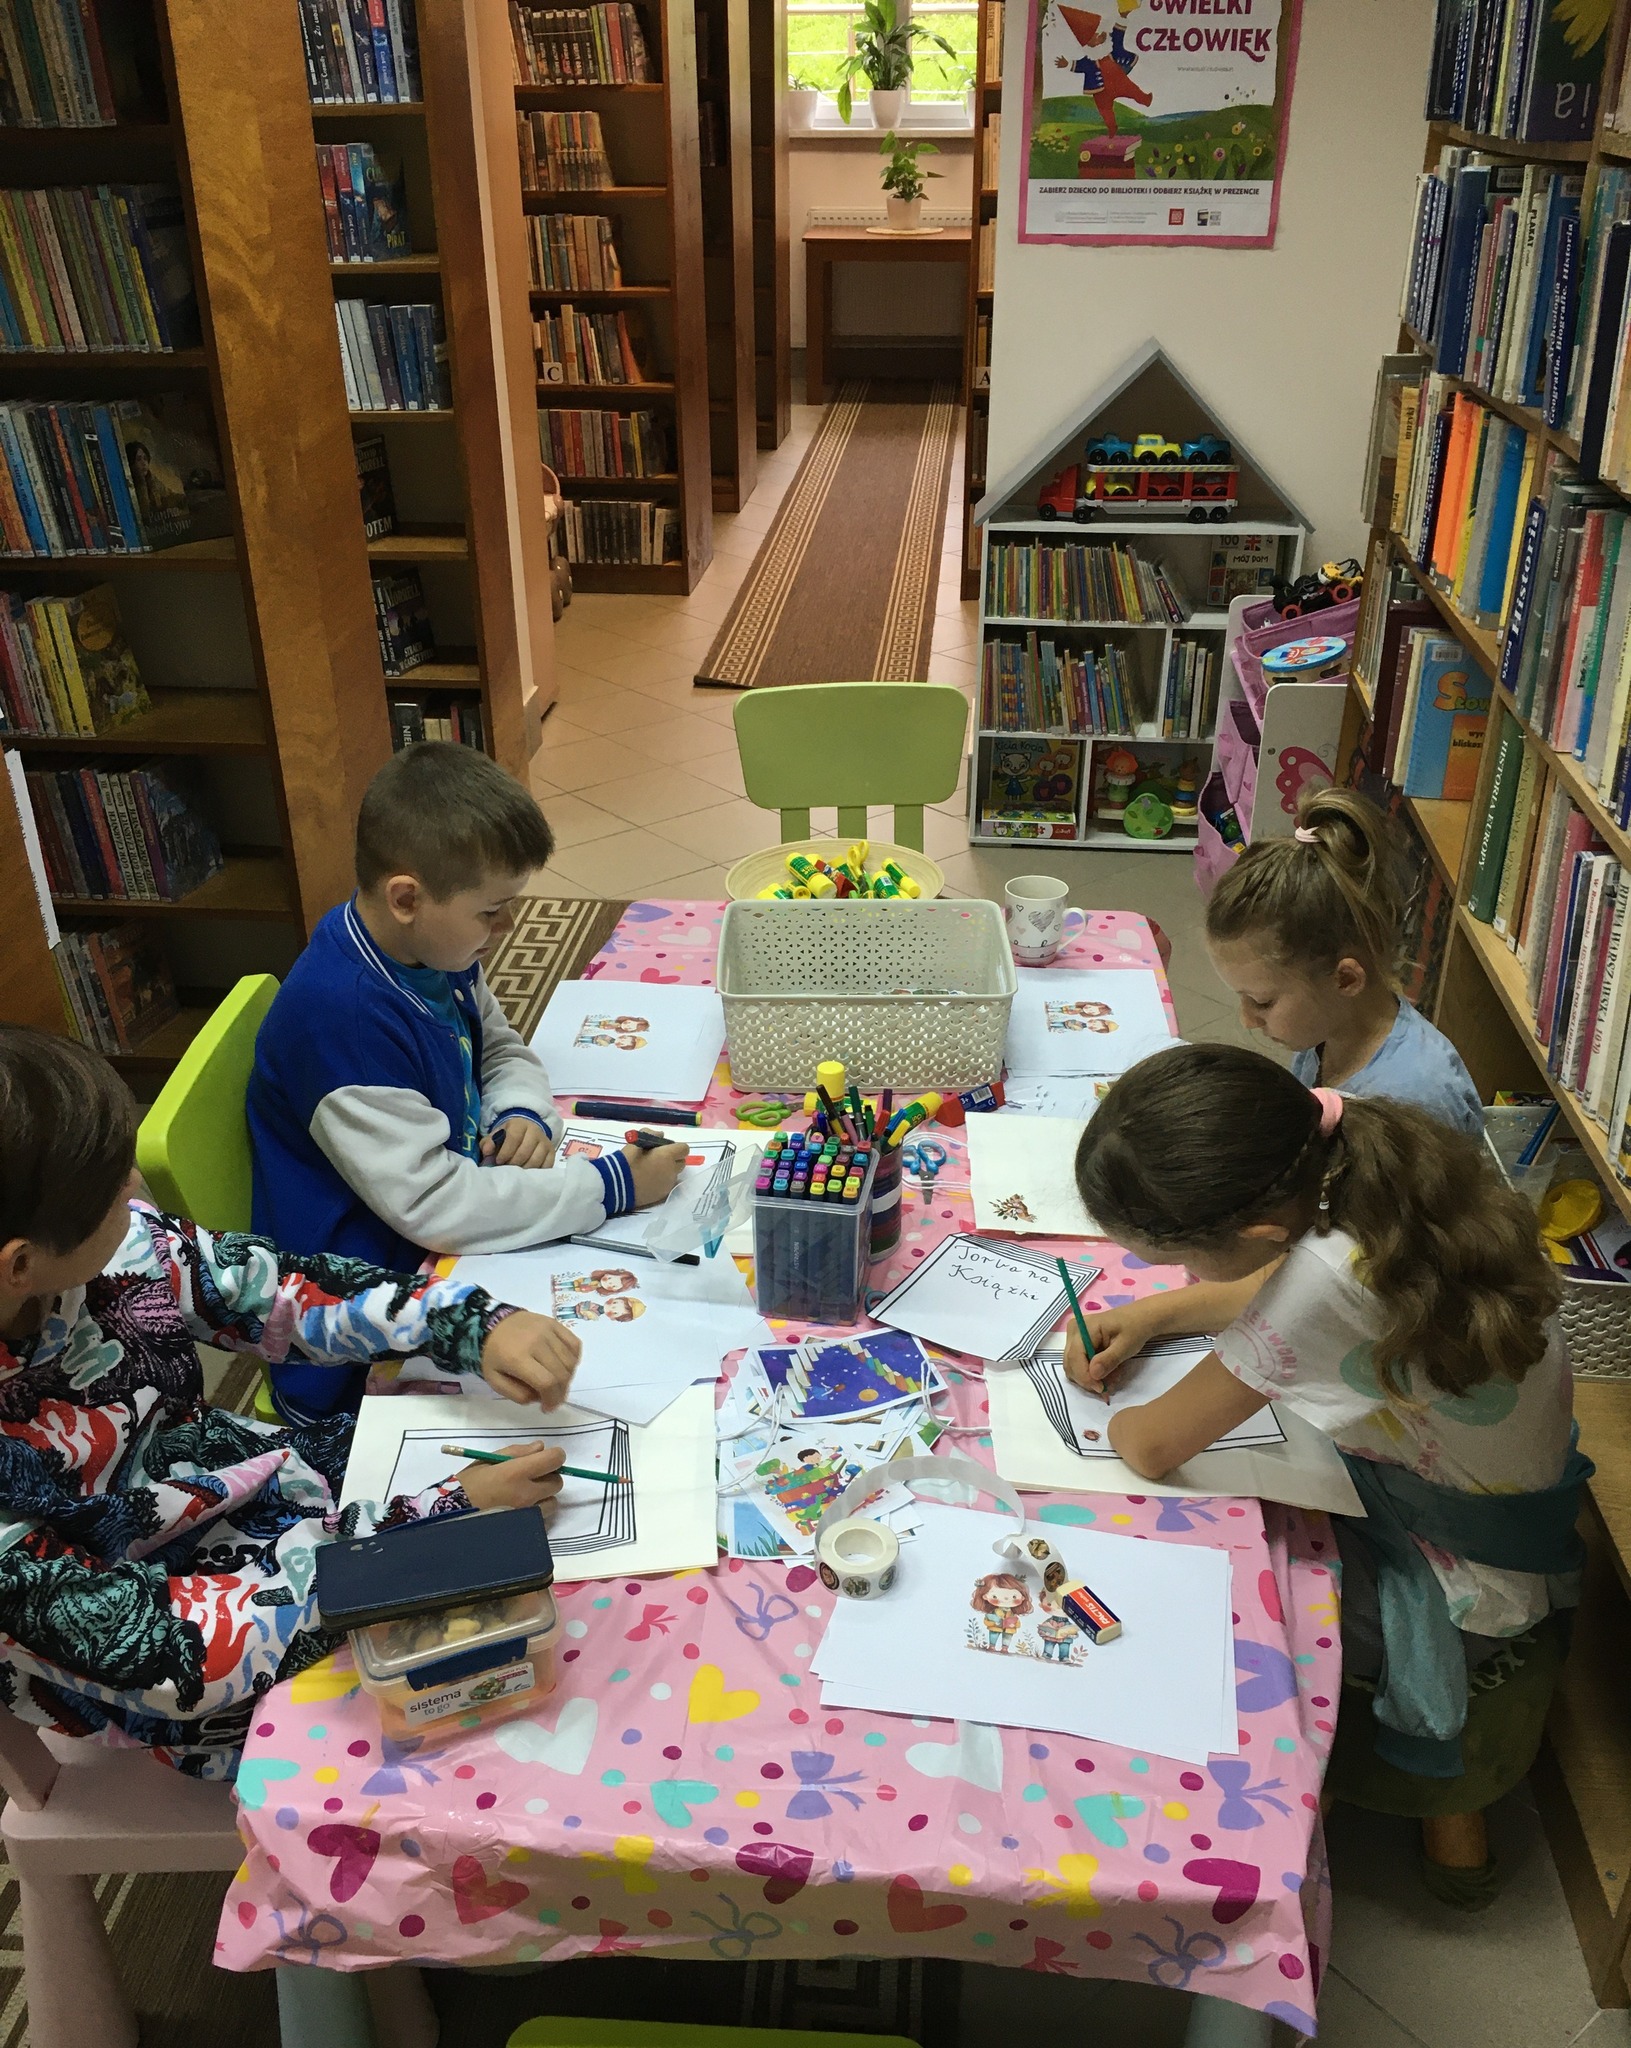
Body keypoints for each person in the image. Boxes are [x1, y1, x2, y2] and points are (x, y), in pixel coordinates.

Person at [1065, 1042, 1583, 1903]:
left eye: (1176, 1258)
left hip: (1461, 1582)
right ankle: (1444, 1822)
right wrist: (1158, 1313)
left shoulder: (1318, 1284)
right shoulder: (1361, 1156)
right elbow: (1287, 1281)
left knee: (1188, 1601)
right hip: (1512, 1509)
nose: (1177, 1275)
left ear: (1260, 1233)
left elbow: (1151, 1444)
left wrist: (1111, 1406)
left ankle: (1264, 1831)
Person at [0, 1027, 581, 1780]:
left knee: (548, 1565)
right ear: (21, 1263)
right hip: (206, 1668)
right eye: (114, 1189)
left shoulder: (112, 1250)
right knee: (504, 1727)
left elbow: (273, 1290)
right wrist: (429, 1524)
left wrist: (467, 1324)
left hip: (257, 1490)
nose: (137, 1190)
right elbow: (177, 1655)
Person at [248, 743, 687, 1421]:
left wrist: (521, 1112)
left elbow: (499, 1047)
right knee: (579, 1399)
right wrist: (611, 1186)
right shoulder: (344, 1023)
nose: (506, 928)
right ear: (406, 898)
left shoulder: (428, 949)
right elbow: (437, 1206)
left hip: (432, 1232)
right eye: (490, 911)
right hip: (355, 1328)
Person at [1205, 784, 1483, 1135]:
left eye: (1262, 1001)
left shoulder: (1417, 1101)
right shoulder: (1323, 1030)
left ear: (1346, 980)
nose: (1247, 1020)